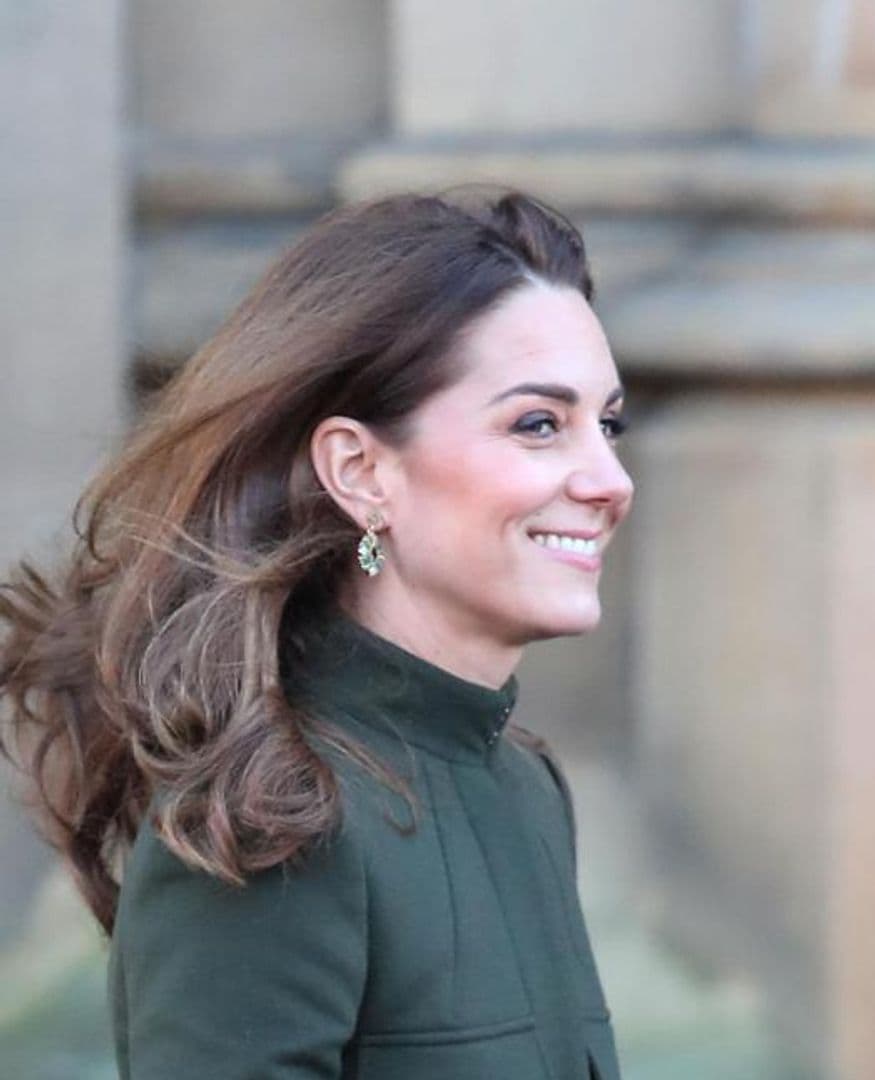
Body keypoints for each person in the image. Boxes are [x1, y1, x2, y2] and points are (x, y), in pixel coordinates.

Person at [0, 190, 632, 1079]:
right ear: (360, 470)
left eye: (608, 424)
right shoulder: (268, 818)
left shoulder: (527, 791)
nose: (609, 478)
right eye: (539, 425)